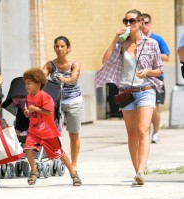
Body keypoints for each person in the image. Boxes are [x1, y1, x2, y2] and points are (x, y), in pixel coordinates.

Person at [94, 9, 163, 186]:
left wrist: (148, 71)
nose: (128, 24)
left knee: (142, 130)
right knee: (131, 134)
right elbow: (105, 61)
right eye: (126, 21)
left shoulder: (152, 43)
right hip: (126, 91)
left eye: (132, 21)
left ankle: (141, 170)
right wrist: (115, 39)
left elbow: (159, 69)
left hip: (146, 89)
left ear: (140, 23)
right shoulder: (121, 45)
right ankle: (137, 173)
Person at [23, 67, 81, 186]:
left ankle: (73, 174)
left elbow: (49, 112)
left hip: (47, 131)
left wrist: (35, 109)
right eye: (25, 84)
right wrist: (29, 112)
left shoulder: (45, 96)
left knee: (59, 153)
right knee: (28, 148)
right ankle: (33, 171)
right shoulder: (29, 97)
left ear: (38, 83)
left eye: (29, 83)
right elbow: (33, 112)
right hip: (34, 129)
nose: (26, 86)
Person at [42, 36, 82, 173]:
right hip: (55, 103)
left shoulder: (74, 64)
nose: (59, 49)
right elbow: (41, 76)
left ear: (68, 48)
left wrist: (64, 79)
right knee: (52, 133)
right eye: (57, 46)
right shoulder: (50, 65)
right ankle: (54, 156)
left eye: (62, 46)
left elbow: (73, 78)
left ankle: (74, 163)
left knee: (73, 134)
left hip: (73, 101)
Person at [141, 13, 170, 144]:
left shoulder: (157, 39)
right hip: (140, 79)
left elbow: (167, 57)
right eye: (142, 22)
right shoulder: (136, 39)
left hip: (156, 78)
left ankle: (156, 132)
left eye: (147, 23)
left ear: (150, 24)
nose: (144, 25)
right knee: (141, 107)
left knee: (155, 107)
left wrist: (153, 51)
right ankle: (144, 132)